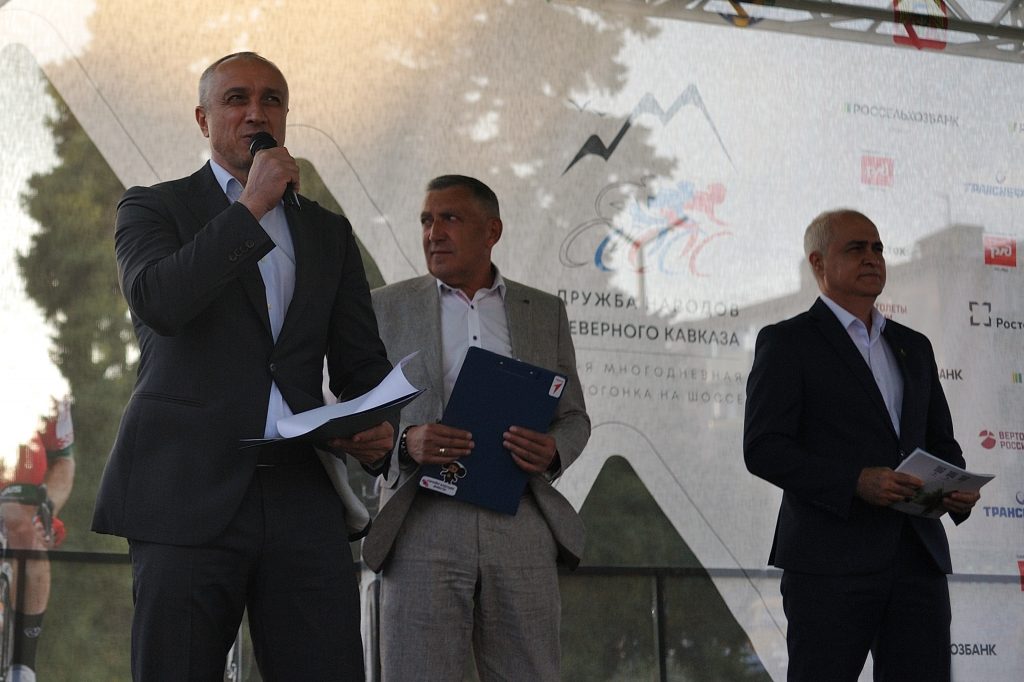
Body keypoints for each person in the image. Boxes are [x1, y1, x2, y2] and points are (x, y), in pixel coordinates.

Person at [91, 52, 395, 681]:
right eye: (236, 99)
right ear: (204, 119)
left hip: (301, 490)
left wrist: (376, 428)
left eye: (271, 99)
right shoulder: (153, 208)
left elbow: (361, 363)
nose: (256, 112)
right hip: (185, 485)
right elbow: (160, 302)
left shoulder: (328, 234)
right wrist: (251, 206)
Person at [362, 175, 591, 681]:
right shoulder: (383, 307)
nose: (434, 233)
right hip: (421, 519)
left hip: (521, 518)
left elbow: (574, 416)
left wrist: (552, 450)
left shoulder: (544, 311)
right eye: (426, 220)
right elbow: (355, 413)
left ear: (492, 231)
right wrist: (406, 441)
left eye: (450, 218)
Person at [743, 209, 980, 682]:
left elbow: (940, 441)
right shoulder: (788, 342)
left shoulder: (914, 346)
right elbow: (764, 448)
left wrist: (955, 486)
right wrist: (855, 482)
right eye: (856, 248)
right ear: (818, 263)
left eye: (878, 248)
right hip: (828, 563)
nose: (872, 258)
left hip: (917, 560)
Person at [2, 398, 75, 682]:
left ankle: (23, 666)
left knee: (29, 533)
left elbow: (63, 460)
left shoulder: (46, 387)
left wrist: (47, 509)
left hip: (18, 485)